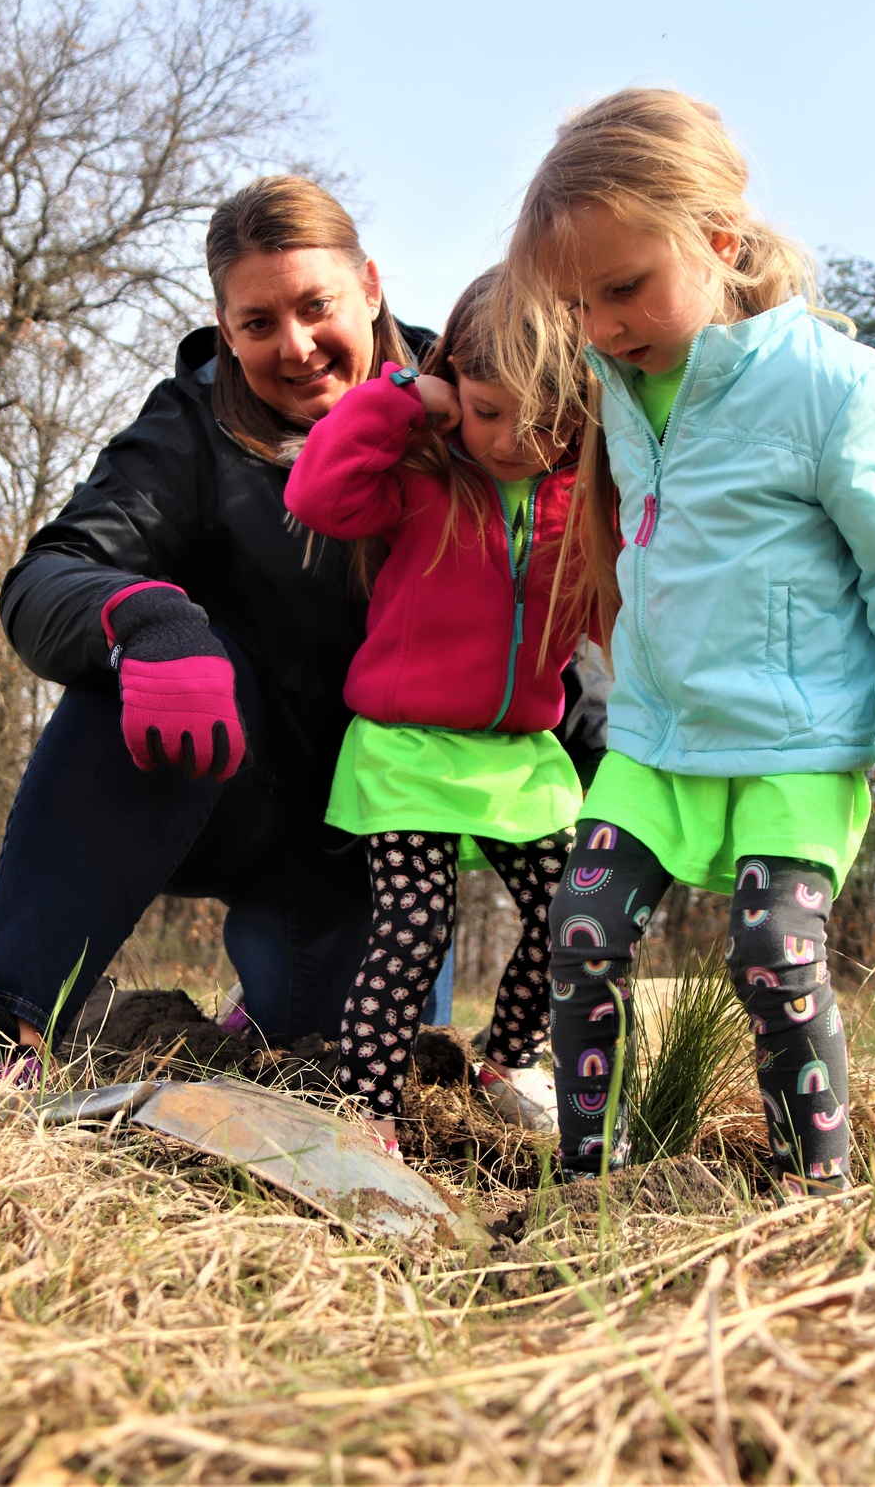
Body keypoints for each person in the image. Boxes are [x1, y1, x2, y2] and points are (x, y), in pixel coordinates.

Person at [496, 89, 875, 1193]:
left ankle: (816, 1188)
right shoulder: (613, 384)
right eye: (580, 304)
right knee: (580, 928)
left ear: (720, 237)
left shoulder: (827, 385)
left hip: (799, 739)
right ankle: (585, 1181)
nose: (603, 326)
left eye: (623, 290)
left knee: (773, 954)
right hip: (660, 739)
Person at [0, 175, 436, 1073]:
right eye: (259, 324)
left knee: (333, 1053)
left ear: (370, 286)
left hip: (385, 837)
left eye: (315, 306)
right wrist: (145, 619)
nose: (295, 348)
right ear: (227, 330)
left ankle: (267, 1007)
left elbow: (557, 594)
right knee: (147, 655)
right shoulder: (192, 426)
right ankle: (5, 1036)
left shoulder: (470, 400)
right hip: (226, 776)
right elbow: (46, 578)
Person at [284, 269, 600, 1155]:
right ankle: (367, 1108)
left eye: (541, 421)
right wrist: (398, 398)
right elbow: (315, 495)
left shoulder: (582, 501)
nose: (509, 441)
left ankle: (509, 1055)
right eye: (488, 410)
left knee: (570, 913)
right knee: (413, 931)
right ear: (452, 381)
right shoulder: (422, 477)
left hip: (520, 750)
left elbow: (623, 613)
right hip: (408, 746)